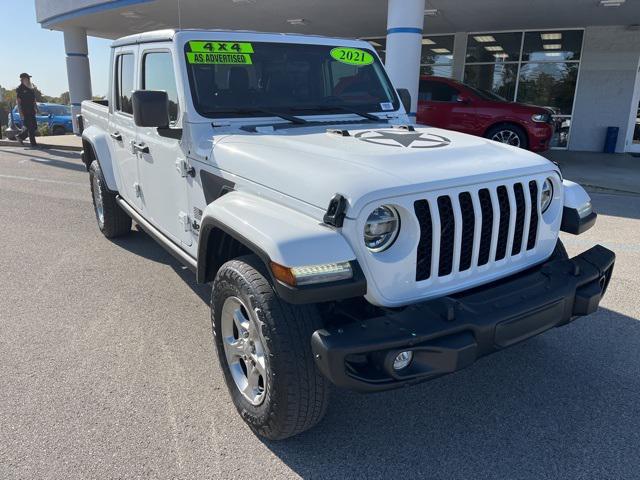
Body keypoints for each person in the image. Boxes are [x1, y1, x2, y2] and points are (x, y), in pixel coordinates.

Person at [16, 73, 38, 147]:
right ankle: (33, 144)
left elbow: (34, 100)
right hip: (25, 111)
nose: (28, 80)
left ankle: (20, 136)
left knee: (34, 126)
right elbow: (18, 102)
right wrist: (20, 113)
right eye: (27, 78)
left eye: (28, 78)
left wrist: (37, 108)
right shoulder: (20, 89)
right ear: (22, 79)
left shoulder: (31, 88)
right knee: (30, 127)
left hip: (32, 110)